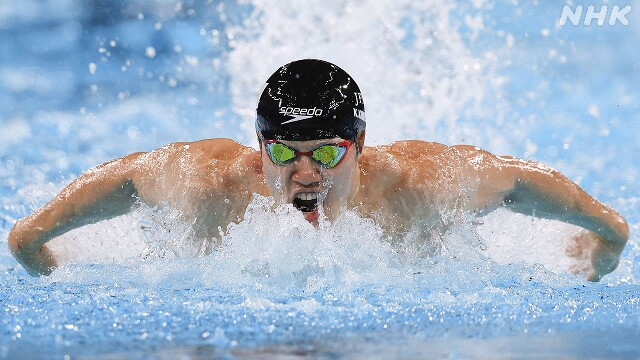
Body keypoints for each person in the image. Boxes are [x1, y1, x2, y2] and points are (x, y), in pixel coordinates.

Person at [7, 59, 629, 281]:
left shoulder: (429, 185)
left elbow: (585, 211)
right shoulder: (204, 183)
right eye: (284, 152)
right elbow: (34, 232)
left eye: (327, 151)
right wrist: (40, 256)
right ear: (260, 146)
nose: (304, 173)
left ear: (361, 145)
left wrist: (598, 251)